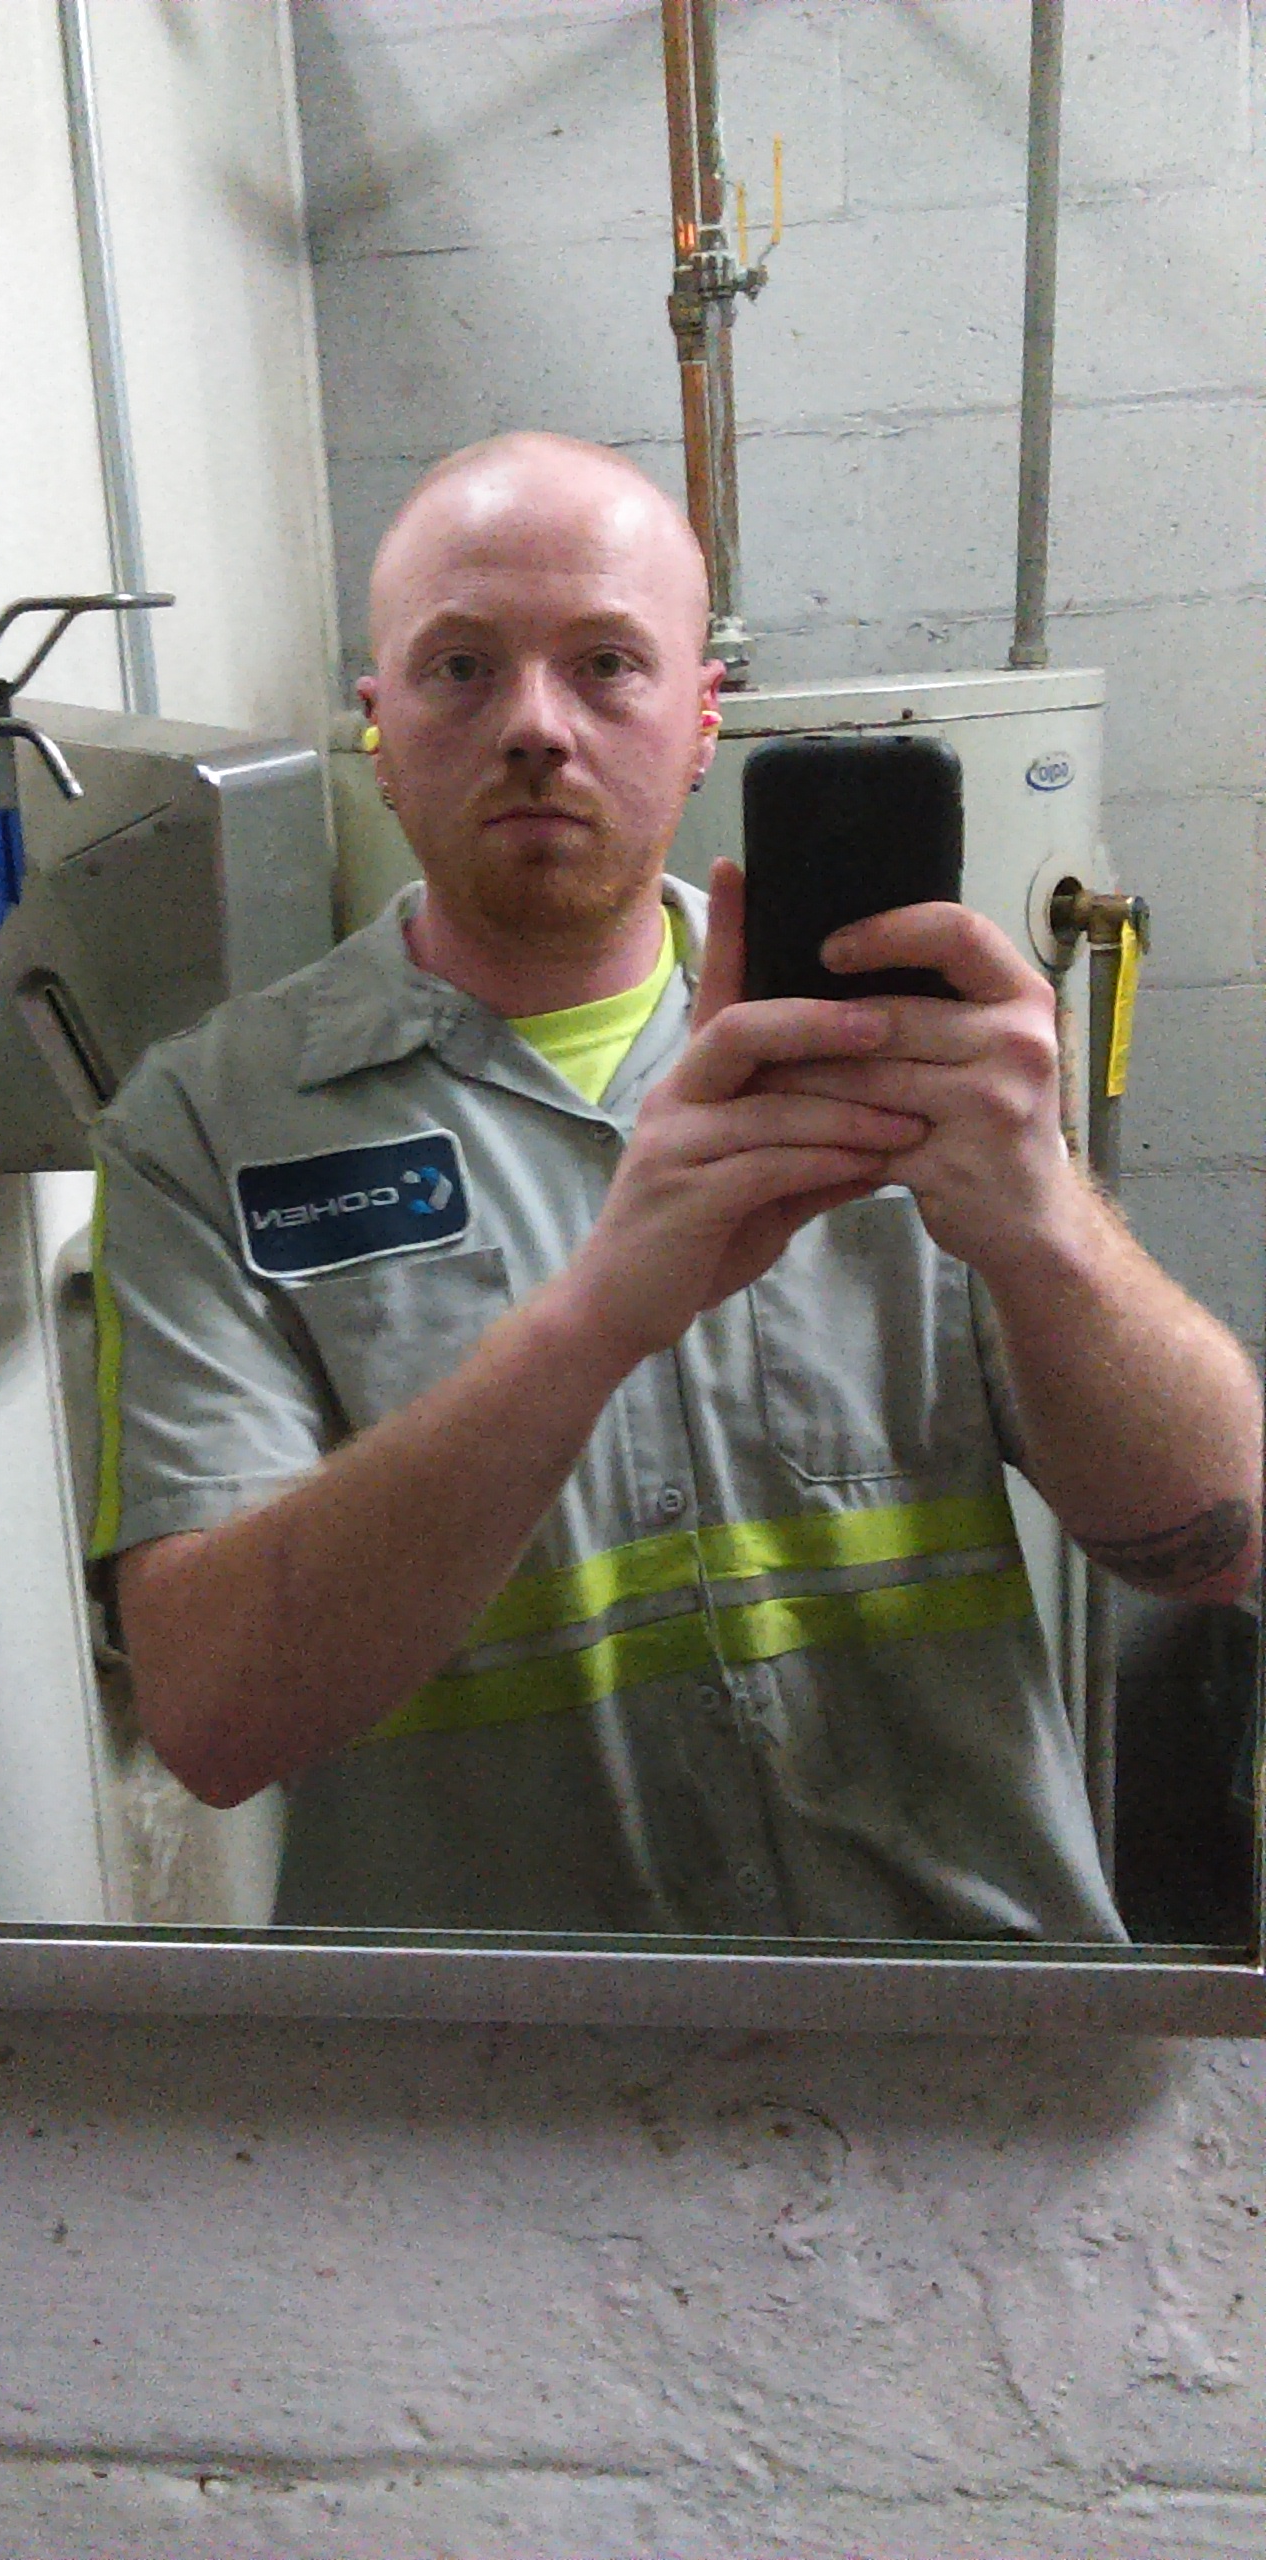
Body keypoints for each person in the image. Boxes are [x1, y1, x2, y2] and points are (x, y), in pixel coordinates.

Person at [88, 432, 1261, 1940]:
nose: (535, 725)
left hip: (962, 2023)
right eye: (460, 668)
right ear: (377, 729)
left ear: (702, 720)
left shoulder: (925, 1067)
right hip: (496, 2054)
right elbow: (211, 1721)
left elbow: (1224, 1540)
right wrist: (591, 1322)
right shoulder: (199, 1130)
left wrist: (1047, 1229)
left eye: (606, 665)